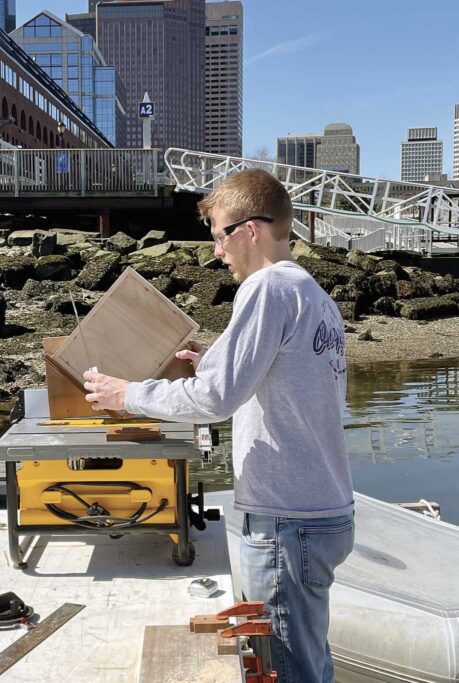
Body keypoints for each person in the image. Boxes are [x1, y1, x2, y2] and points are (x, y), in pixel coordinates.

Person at [83, 168, 354, 683]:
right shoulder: (316, 298)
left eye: (220, 235)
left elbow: (216, 399)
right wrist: (212, 358)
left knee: (285, 671)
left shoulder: (267, 288)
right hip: (324, 513)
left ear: (250, 230)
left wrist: (127, 394)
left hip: (286, 521)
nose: (216, 251)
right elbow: (285, 377)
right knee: (311, 662)